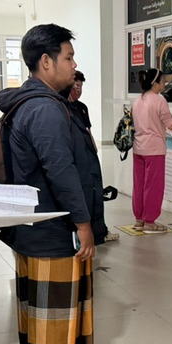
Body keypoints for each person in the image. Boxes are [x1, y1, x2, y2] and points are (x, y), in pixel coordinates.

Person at [0, 23, 109, 344]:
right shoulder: (45, 108)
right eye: (68, 57)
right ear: (45, 62)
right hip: (52, 227)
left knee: (36, 306)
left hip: (32, 225)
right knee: (56, 308)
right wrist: (83, 225)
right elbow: (62, 171)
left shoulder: (29, 102)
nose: (73, 64)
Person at [131, 68, 172, 233]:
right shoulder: (159, 101)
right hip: (155, 150)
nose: (165, 84)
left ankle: (139, 220)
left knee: (139, 185)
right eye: (163, 81)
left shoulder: (137, 101)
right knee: (153, 187)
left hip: (138, 148)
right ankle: (150, 222)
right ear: (155, 83)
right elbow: (170, 124)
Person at [66, 70, 120, 242]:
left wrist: (95, 151)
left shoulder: (82, 108)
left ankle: (100, 231)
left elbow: (88, 131)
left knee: (96, 195)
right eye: (75, 85)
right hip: (74, 160)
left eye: (80, 86)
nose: (78, 89)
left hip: (89, 158)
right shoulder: (61, 108)